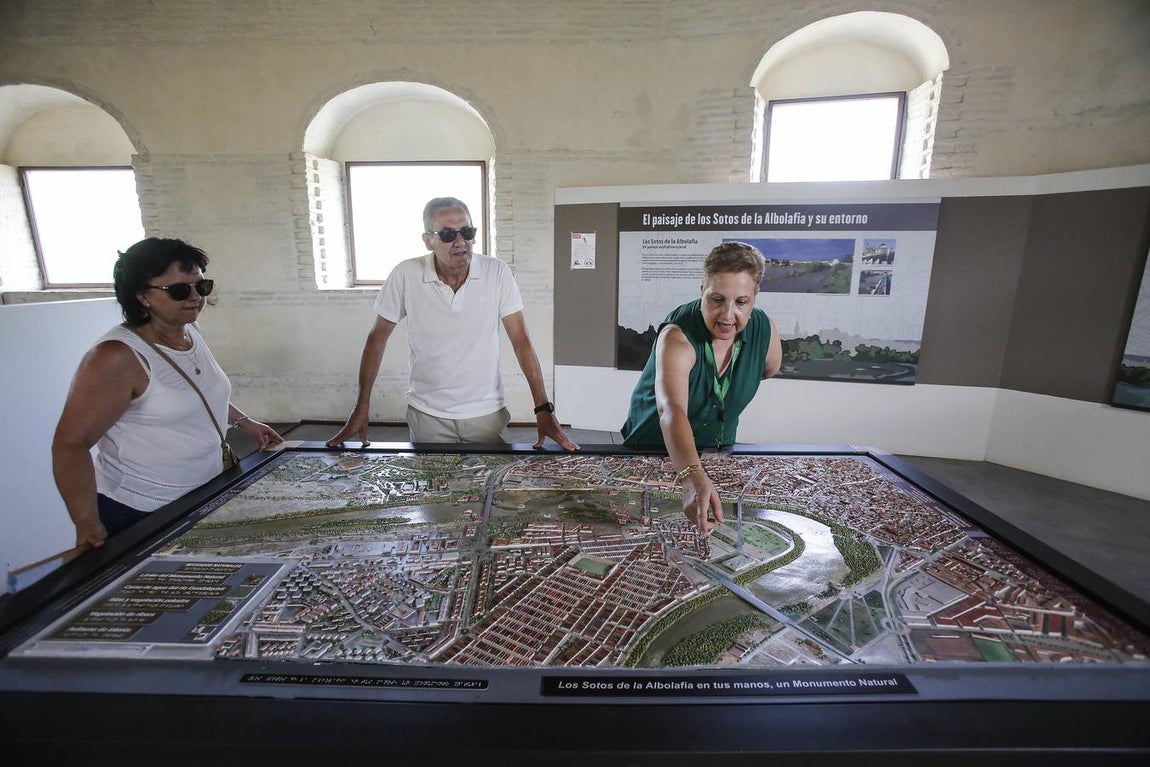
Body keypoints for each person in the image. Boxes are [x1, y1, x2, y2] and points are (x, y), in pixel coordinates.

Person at [52, 237, 283, 549]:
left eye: (201, 286)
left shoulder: (189, 332)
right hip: (139, 510)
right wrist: (87, 522)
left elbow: (198, 394)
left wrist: (244, 421)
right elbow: (70, 446)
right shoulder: (117, 357)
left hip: (202, 494)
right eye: (178, 290)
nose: (194, 298)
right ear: (142, 296)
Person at [327, 197, 579, 451]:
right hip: (427, 414)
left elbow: (521, 342)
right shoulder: (406, 275)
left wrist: (543, 409)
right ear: (428, 240)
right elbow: (377, 338)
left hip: (485, 413)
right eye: (448, 234)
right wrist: (362, 405)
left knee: (487, 487)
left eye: (467, 232)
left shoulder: (497, 272)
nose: (460, 242)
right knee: (432, 487)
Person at [621, 241, 782, 535]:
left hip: (714, 452)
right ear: (702, 290)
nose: (727, 314)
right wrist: (691, 473)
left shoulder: (764, 329)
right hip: (655, 448)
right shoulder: (677, 336)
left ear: (755, 296)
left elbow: (771, 368)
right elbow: (672, 409)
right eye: (717, 299)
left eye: (741, 302)